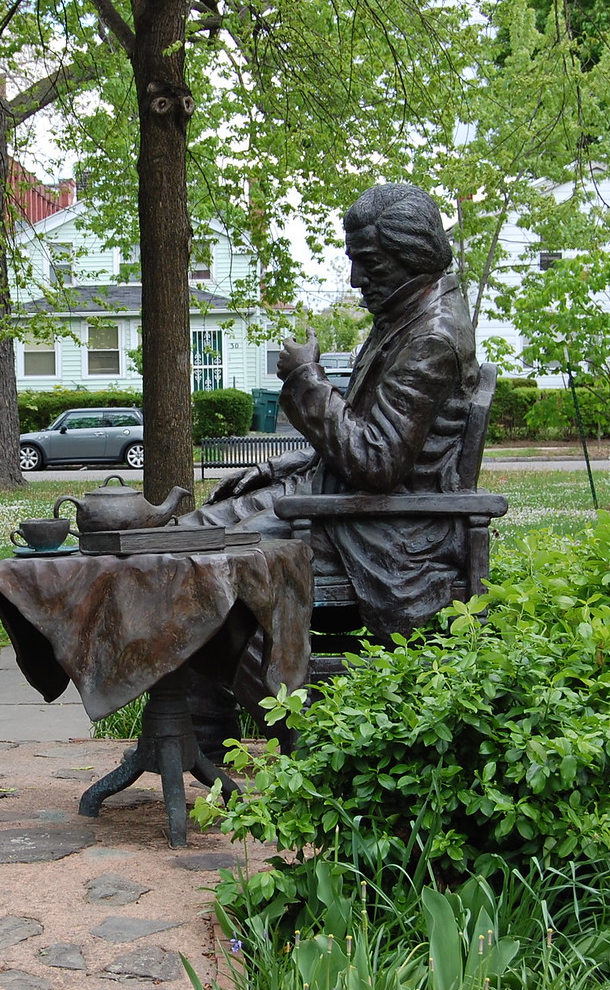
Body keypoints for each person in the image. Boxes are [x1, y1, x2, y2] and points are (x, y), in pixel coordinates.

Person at [180, 183, 479, 750]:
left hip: (378, 529)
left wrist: (305, 380)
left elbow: (376, 459)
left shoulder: (432, 337)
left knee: (201, 562)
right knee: (186, 536)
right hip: (341, 502)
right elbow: (367, 434)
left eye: (367, 265)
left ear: (410, 258)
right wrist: (277, 467)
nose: (355, 281)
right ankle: (200, 728)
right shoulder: (405, 312)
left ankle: (301, 736)